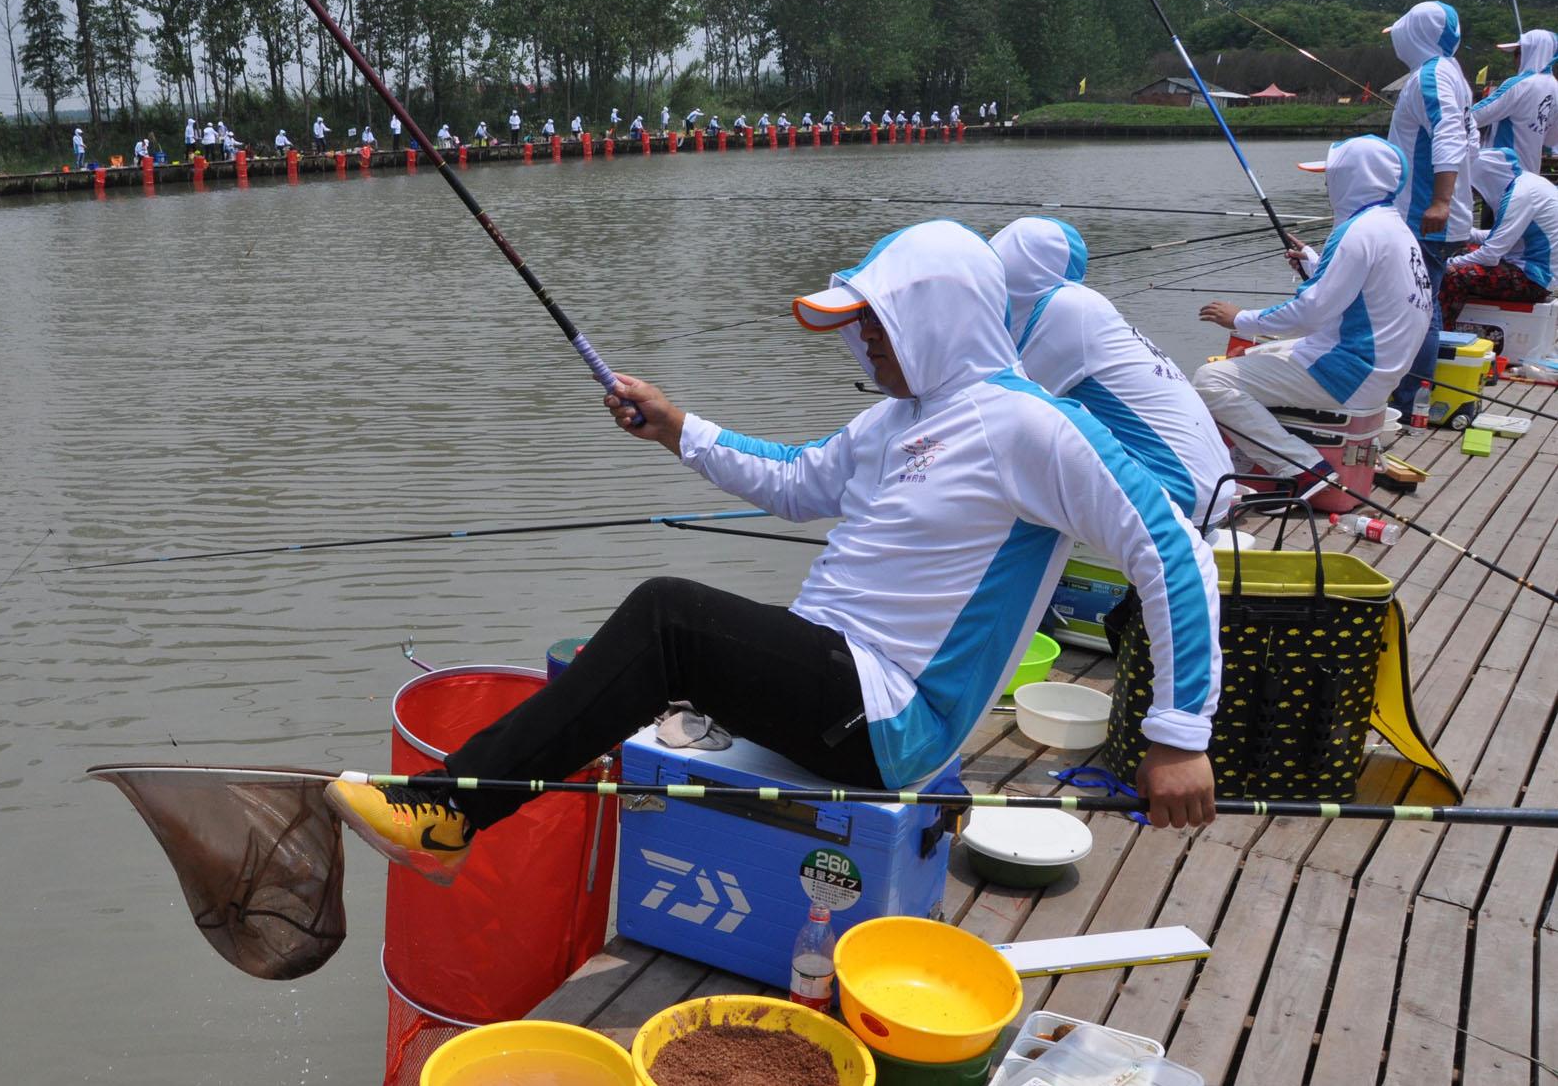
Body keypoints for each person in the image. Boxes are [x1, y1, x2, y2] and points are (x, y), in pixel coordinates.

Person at [323, 220, 1222, 884]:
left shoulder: (1032, 425)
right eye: (861, 320)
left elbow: (1173, 553)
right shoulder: (896, 420)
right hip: (832, 678)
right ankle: (473, 794)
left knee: (669, 615)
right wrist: (679, 429)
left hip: (891, 720)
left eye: (878, 320)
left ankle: (449, 809)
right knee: (656, 644)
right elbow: (796, 479)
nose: (863, 337)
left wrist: (1178, 736)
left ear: (940, 317)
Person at [1194, 136, 1431, 485]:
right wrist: (1314, 264)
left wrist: (1240, 318)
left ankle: (1302, 467)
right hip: (1378, 371)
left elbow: (1309, 313)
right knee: (1254, 354)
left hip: (1350, 373)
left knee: (1209, 380)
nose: (1325, 183)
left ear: (1354, 177)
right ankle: (1258, 458)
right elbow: (1357, 294)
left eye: (1331, 175)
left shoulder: (1356, 232)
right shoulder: (1393, 227)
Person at [991, 217, 1236, 524]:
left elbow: (999, 411)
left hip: (1180, 495)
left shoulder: (1067, 310)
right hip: (1210, 488)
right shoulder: (1079, 306)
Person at [1383, 0, 1476, 415]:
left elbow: (1451, 136)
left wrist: (1440, 201)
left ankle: (1409, 400)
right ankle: (1411, 392)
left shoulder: (1432, 76)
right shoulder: (1448, 71)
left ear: (1416, 32)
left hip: (1425, 216)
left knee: (1419, 307)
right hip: (1433, 215)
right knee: (1425, 301)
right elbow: (1471, 139)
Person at [1439, 146, 1557, 322]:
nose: (1476, 193)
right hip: (1534, 271)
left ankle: (1439, 335)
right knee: (1462, 251)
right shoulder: (1528, 183)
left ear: (1486, 179)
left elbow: (1490, 255)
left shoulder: (1520, 195)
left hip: (1533, 279)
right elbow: (1502, 237)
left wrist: (1445, 265)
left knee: (1452, 274)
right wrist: (1466, 234)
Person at [1470, 28, 1557, 176]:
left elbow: (1475, 116)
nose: (1514, 60)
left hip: (1503, 172)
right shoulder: (1555, 87)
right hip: (1530, 174)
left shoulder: (1519, 85)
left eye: (1517, 53)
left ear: (1531, 53)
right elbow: (1550, 140)